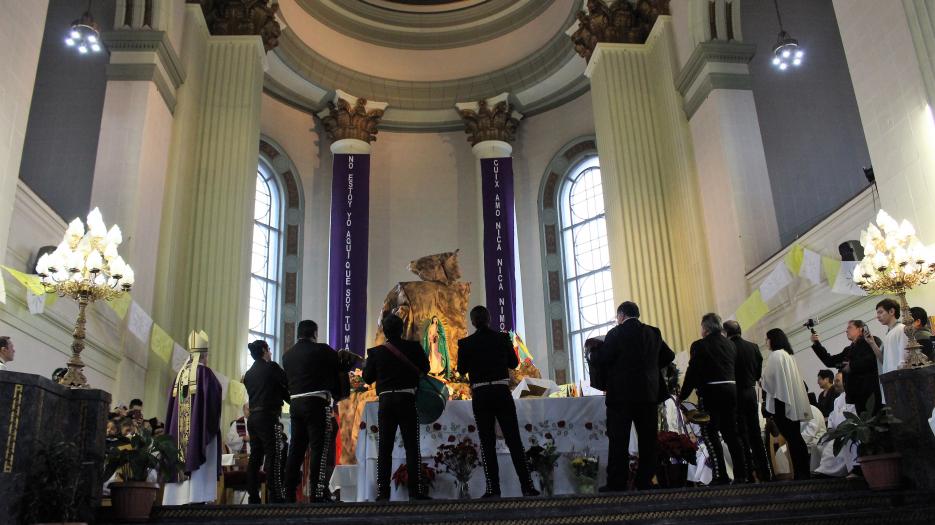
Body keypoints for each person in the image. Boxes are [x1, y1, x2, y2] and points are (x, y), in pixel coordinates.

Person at [591, 301, 674, 491]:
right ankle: (645, 481)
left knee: (619, 440)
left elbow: (603, 358)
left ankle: (617, 483)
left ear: (621, 316)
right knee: (647, 440)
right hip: (648, 395)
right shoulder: (653, 332)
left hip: (621, 397)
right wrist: (651, 365)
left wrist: (594, 353)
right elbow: (669, 356)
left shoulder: (615, 333)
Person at [457, 306, 539, 498]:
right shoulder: (502, 338)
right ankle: (527, 486)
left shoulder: (466, 343)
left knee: (487, 443)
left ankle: (493, 489)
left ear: (473, 322)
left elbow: (461, 369)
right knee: (514, 440)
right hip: (501, 392)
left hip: (481, 394)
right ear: (489, 319)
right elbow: (513, 363)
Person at [363, 313, 431, 501]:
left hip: (386, 402)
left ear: (384, 331)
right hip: (407, 399)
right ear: (402, 329)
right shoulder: (413, 347)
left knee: (384, 448)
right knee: (412, 446)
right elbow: (426, 368)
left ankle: (383, 493)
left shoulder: (376, 352)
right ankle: (415, 492)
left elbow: (367, 378)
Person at [282, 320, 349, 503]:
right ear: (315, 333)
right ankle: (318, 493)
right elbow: (336, 373)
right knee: (320, 449)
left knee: (296, 449)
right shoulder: (323, 350)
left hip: (295, 405)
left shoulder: (287, 356)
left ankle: (288, 493)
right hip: (317, 403)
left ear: (298, 334)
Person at [680, 313, 747, 485]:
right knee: (732, 434)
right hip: (731, 392)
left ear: (706, 328)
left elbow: (692, 372)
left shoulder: (700, 345)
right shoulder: (731, 345)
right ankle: (741, 474)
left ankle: (721, 475)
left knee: (710, 434)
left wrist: (682, 396)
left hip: (711, 394)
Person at [163, 330, 223, 505]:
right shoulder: (206, 374)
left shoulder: (180, 375)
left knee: (180, 450)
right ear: (204, 355)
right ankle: (197, 497)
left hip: (179, 432)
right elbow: (213, 403)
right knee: (197, 448)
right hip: (198, 431)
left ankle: (176, 499)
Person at [242, 339, 290, 504]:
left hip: (253, 419)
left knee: (255, 456)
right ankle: (275, 495)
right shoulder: (272, 367)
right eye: (268, 349)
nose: (270, 352)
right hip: (268, 417)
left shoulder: (248, 374)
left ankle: (253, 497)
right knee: (274, 454)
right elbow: (286, 382)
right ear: (264, 350)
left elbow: (269, 389)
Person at [762, 328, 812, 480]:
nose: (766, 342)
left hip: (781, 403)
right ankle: (802, 472)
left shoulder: (776, 355)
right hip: (789, 402)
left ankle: (801, 474)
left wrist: (761, 380)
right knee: (796, 438)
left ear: (773, 339)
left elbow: (769, 381)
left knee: (793, 439)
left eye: (767, 339)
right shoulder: (788, 355)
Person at [724, 320, 771, 483]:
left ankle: (748, 473)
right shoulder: (753, 347)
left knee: (741, 434)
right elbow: (758, 372)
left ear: (725, 333)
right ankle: (765, 472)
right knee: (755, 434)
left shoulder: (727, 348)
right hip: (750, 392)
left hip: (735, 394)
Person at [810, 320, 881, 415]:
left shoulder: (871, 341)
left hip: (870, 392)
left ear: (860, 329)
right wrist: (817, 344)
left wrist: (851, 366)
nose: (846, 331)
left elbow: (873, 360)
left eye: (849, 327)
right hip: (856, 396)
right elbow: (829, 361)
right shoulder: (848, 350)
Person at [867, 298, 905, 403]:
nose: (878, 316)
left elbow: (904, 359)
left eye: (880, 312)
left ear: (892, 311)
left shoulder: (901, 329)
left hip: (899, 382)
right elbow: (883, 360)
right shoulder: (889, 333)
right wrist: (872, 343)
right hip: (891, 383)